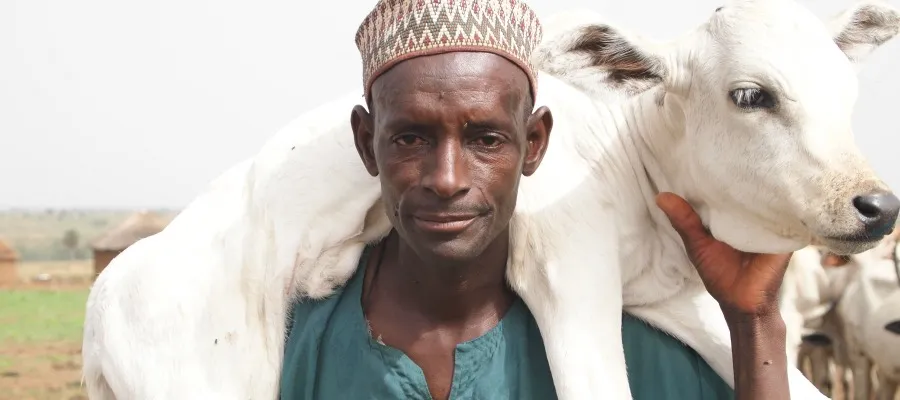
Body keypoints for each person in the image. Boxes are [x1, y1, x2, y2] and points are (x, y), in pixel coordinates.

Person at [279, 0, 791, 399]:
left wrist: (755, 323)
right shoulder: (289, 341)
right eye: (411, 138)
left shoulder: (636, 351)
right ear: (367, 142)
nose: (447, 178)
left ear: (535, 143)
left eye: (486, 140)